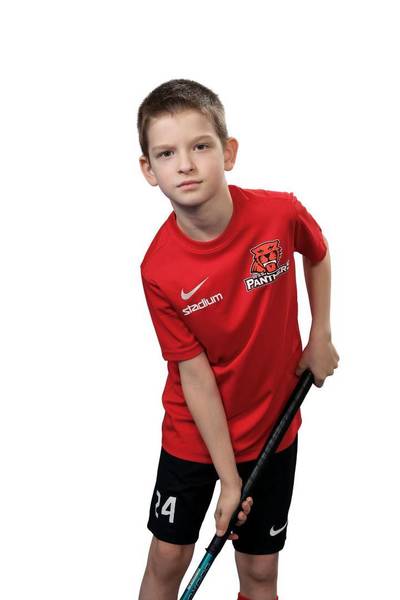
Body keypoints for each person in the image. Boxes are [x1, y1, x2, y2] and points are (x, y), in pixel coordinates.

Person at [136, 78, 339, 600]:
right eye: (166, 153)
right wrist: (229, 481)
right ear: (149, 170)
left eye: (200, 146)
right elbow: (195, 376)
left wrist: (319, 335)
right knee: (168, 557)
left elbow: (317, 254)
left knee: (260, 572)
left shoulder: (279, 213)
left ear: (228, 153)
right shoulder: (159, 269)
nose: (185, 164)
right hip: (195, 431)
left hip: (272, 423)